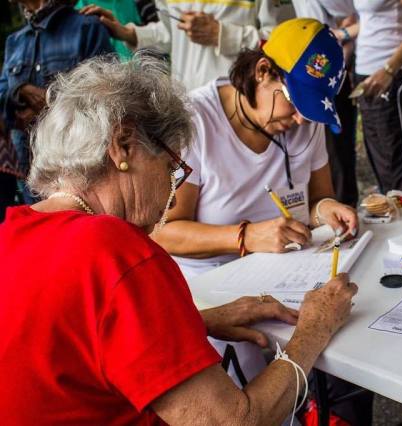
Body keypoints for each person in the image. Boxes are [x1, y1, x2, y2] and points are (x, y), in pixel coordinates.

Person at [0, 54, 358, 425]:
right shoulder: (116, 250)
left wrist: (197, 321)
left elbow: (76, 349)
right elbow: (234, 421)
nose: (173, 192)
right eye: (173, 167)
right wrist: (314, 329)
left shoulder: (11, 233)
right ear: (123, 146)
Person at [154, 18, 358, 280]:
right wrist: (246, 236)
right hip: (211, 280)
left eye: (311, 110)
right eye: (296, 103)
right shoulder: (195, 121)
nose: (301, 120)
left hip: (289, 271)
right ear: (263, 71)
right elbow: (162, 232)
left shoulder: (306, 122)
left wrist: (327, 210)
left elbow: (318, 199)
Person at [0, 0, 113, 204]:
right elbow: (2, 96)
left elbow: (108, 96)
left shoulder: (87, 28)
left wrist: (53, 103)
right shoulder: (14, 41)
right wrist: (19, 90)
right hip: (28, 175)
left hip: (78, 171)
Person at [83, 0, 295, 90]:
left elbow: (280, 42)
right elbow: (169, 35)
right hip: (187, 104)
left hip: (241, 105)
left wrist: (222, 34)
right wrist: (128, 32)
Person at [342, 0, 402, 194]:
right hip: (369, 76)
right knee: (385, 171)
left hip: (396, 76)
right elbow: (372, 20)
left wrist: (389, 69)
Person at [292, 0, 359, 207]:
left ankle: (344, 206)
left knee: (337, 151)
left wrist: (343, 36)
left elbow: (355, 12)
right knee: (321, 148)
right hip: (309, 75)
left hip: (326, 75)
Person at [77, 0, 142, 61]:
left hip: (137, 67)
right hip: (104, 68)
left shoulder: (130, 2)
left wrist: (127, 34)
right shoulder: (79, 5)